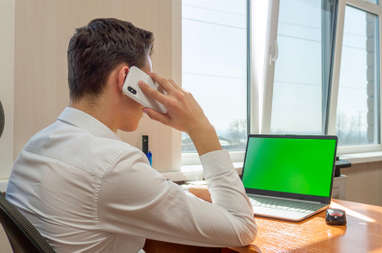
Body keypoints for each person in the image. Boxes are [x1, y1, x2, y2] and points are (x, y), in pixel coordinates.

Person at [6, 18, 256, 253]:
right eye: (148, 80)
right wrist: (200, 127)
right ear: (127, 79)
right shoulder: (112, 164)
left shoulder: (36, 145)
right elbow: (241, 227)